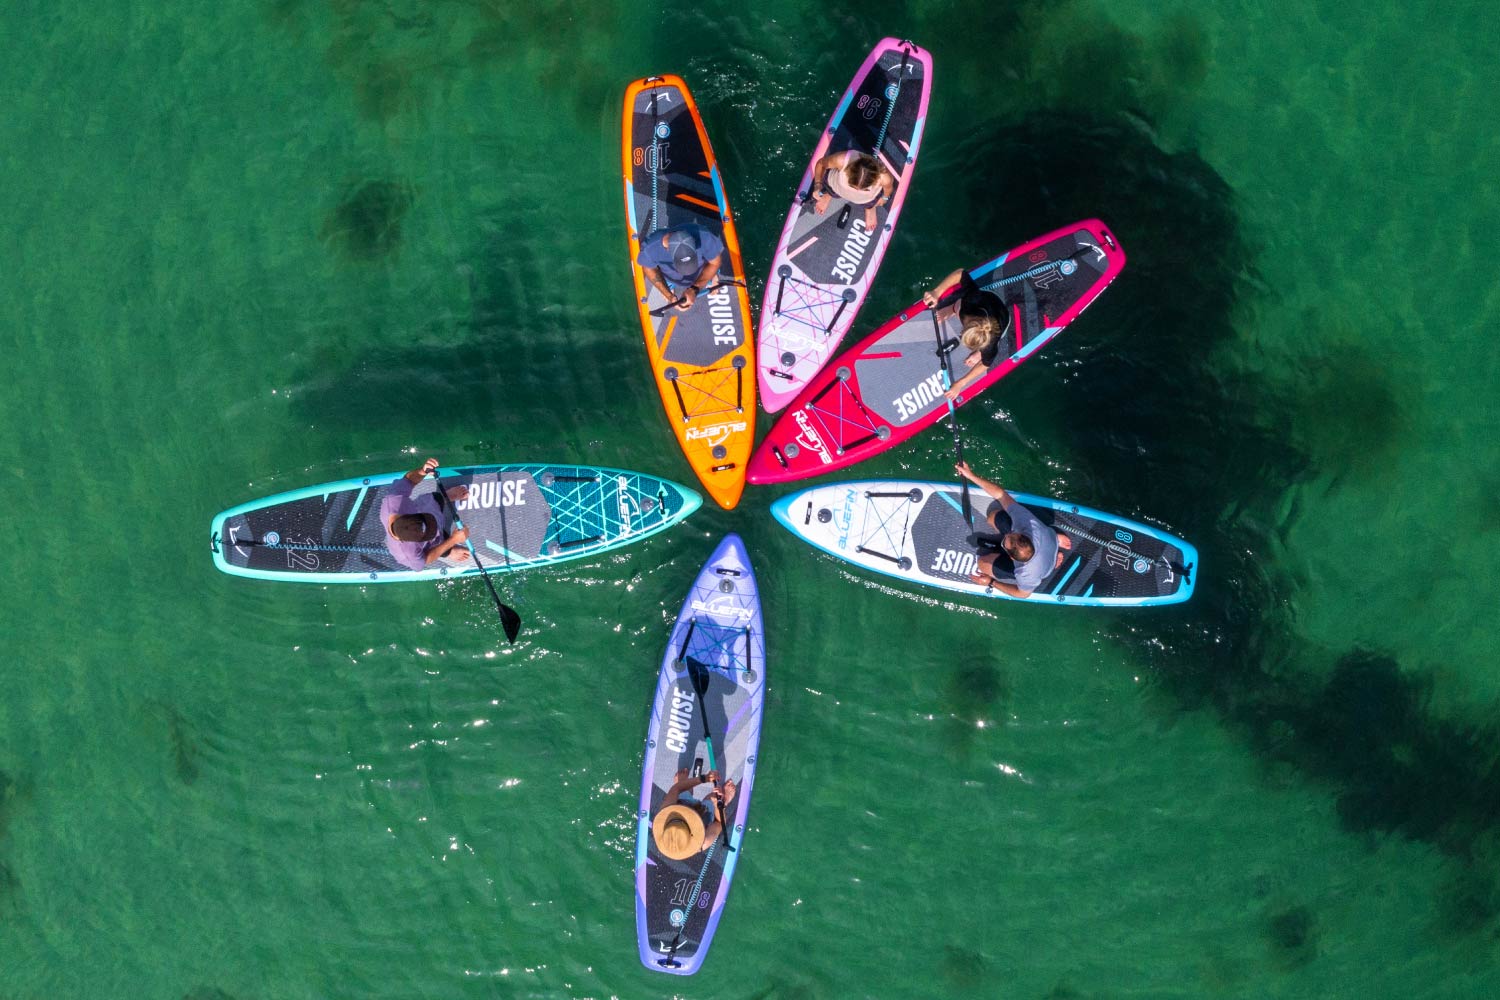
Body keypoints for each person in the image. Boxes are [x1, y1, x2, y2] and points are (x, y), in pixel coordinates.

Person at [954, 460, 1071, 599]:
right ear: (1024, 535)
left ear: (1011, 557)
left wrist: (991, 582)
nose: (1007, 534)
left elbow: (1023, 594)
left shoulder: (1026, 574)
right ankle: (1054, 539)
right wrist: (970, 475)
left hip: (1041, 568)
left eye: (1005, 541)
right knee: (992, 517)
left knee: (982, 564)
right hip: (1045, 537)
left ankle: (1053, 556)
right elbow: (1000, 495)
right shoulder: (1028, 524)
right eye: (1011, 535)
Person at [923, 268, 1014, 401]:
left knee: (987, 354)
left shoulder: (990, 344)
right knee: (960, 306)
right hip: (987, 297)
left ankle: (979, 353)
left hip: (1003, 318)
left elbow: (985, 364)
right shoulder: (971, 302)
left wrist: (960, 384)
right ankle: (952, 309)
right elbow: (960, 273)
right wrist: (936, 292)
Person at [380, 456, 472, 570]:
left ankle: (446, 497)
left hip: (421, 508)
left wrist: (422, 471)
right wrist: (453, 540)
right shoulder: (408, 554)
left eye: (428, 522)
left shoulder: (394, 500)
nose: (432, 527)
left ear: (408, 515)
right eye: (429, 531)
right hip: (429, 545)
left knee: (433, 501)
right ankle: (448, 552)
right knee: (439, 544)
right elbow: (426, 559)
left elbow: (409, 480)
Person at [651, 767, 738, 860]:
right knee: (712, 797)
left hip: (680, 804)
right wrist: (718, 804)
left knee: (683, 790)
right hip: (703, 815)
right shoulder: (703, 841)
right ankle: (725, 800)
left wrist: (704, 778)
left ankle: (686, 786)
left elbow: (676, 788)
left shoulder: (666, 811)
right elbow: (719, 823)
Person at [637, 223, 725, 311]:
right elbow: (648, 267)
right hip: (669, 276)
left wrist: (695, 288)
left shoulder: (705, 237)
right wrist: (669, 296)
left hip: (701, 269)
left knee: (712, 267)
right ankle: (669, 285)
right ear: (668, 250)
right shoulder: (650, 248)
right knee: (663, 284)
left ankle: (712, 275)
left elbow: (714, 263)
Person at [809, 149, 895, 233]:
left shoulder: (884, 178)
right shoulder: (841, 160)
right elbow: (821, 164)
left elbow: (888, 188)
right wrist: (817, 185)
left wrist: (884, 198)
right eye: (852, 186)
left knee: (871, 203)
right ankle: (829, 194)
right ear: (849, 169)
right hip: (835, 185)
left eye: (865, 189)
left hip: (866, 199)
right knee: (830, 188)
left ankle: (870, 208)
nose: (857, 191)